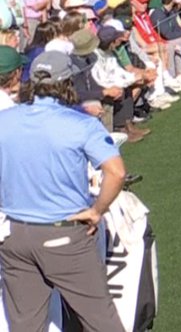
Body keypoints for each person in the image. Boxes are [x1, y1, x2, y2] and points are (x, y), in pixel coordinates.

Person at [0, 51, 127, 331]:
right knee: (102, 322)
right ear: (67, 82)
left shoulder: (4, 120)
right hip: (63, 235)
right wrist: (97, 211)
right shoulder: (80, 124)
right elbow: (116, 172)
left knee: (24, 325)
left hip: (14, 237)